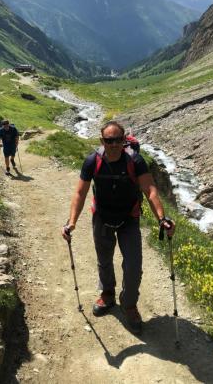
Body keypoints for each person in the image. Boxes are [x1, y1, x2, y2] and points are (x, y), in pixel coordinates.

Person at [62, 121, 175, 334]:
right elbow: (80, 193)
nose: (113, 144)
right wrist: (72, 222)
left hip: (129, 219)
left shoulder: (135, 161)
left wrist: (162, 218)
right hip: (102, 217)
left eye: (117, 140)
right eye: (108, 140)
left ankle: (129, 304)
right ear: (102, 141)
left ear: (124, 140)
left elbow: (150, 190)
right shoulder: (92, 161)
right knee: (104, 260)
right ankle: (107, 295)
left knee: (133, 267)